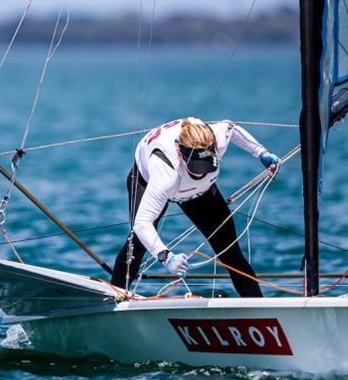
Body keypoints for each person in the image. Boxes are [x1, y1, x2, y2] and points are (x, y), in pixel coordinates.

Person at [110, 117, 281, 297]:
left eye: (206, 167)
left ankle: (257, 309)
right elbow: (142, 222)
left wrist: (261, 153)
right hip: (147, 179)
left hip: (199, 192)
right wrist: (166, 257)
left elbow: (231, 126)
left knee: (230, 252)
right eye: (195, 167)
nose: (200, 172)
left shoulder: (217, 138)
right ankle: (116, 295)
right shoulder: (165, 172)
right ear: (179, 152)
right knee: (138, 242)